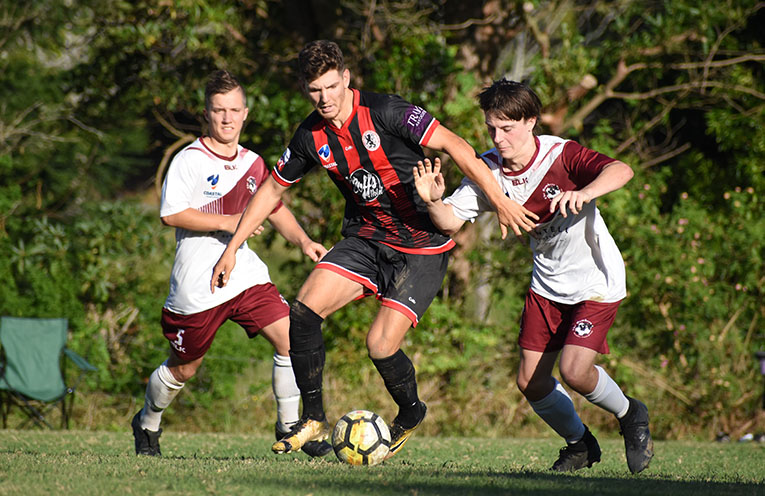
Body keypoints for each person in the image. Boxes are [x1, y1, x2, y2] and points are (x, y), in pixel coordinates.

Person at [210, 41, 538, 459]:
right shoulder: (310, 135)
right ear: (305, 90)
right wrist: (233, 248)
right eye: (315, 90)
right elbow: (271, 189)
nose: (325, 98)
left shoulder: (387, 111)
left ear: (346, 79)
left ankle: (411, 411)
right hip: (366, 239)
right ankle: (313, 418)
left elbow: (456, 145)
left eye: (331, 86)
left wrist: (500, 199)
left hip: (421, 246)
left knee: (379, 346)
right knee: (303, 311)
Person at [412, 79, 653, 474]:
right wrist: (434, 200)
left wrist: (587, 192)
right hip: (547, 285)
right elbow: (449, 223)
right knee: (531, 382)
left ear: (531, 122)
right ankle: (580, 444)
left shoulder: (561, 154)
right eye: (491, 128)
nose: (498, 137)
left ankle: (631, 415)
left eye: (507, 128)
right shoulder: (488, 171)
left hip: (596, 280)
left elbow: (621, 170)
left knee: (575, 371)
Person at [131, 69, 332, 458]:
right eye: (219, 110)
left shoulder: (254, 163)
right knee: (184, 369)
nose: (227, 118)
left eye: (234, 110)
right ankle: (147, 422)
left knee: (291, 337)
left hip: (244, 274)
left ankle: (290, 424)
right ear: (207, 113)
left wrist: (304, 240)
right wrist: (228, 222)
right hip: (198, 284)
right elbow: (171, 214)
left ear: (245, 113)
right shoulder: (188, 160)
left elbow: (273, 206)